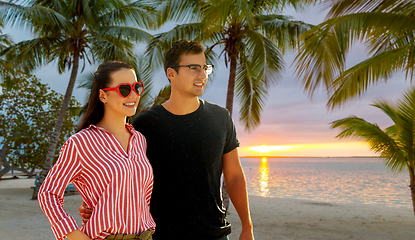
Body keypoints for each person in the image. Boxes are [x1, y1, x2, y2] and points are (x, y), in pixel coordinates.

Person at [81, 40, 254, 240]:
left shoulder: (221, 117)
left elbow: (234, 175)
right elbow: (122, 177)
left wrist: (247, 226)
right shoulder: (145, 124)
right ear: (171, 73)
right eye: (193, 68)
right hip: (160, 234)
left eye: (205, 68)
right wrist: (94, 204)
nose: (202, 75)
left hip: (214, 234)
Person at [38, 61, 156, 240]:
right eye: (124, 89)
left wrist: (102, 205)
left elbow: (139, 196)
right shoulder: (81, 143)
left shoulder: (139, 140)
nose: (133, 94)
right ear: (103, 95)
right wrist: (75, 235)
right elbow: (48, 193)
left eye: (137, 87)